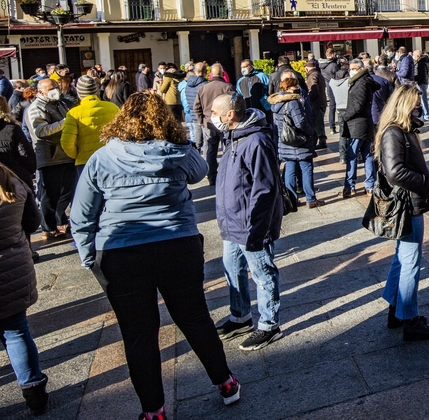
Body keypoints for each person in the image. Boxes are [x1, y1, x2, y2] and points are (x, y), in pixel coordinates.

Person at [70, 93, 240, 417]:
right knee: (194, 317)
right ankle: (225, 381)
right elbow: (200, 170)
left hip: (121, 251)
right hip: (177, 244)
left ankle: (154, 411)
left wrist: (88, 256)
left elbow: (82, 215)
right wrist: (178, 141)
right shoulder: (177, 151)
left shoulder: (102, 158)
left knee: (138, 334)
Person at [210, 92, 284, 351]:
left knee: (262, 273)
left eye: (215, 112)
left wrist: (258, 229)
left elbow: (265, 189)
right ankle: (240, 316)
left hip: (251, 224)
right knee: (233, 269)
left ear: (230, 115)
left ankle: (269, 325)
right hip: (232, 221)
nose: (212, 117)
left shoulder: (256, 141)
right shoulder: (231, 136)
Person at [375, 83, 429, 341]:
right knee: (410, 262)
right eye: (415, 102)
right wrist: (423, 182)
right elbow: (395, 172)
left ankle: (397, 310)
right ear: (403, 104)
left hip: (410, 203)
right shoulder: (394, 132)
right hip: (408, 205)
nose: (419, 106)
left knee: (401, 258)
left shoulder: (404, 130)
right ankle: (411, 320)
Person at [1, 161, 48, 416]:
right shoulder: (10, 181)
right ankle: (35, 395)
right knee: (16, 331)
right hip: (13, 266)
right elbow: (32, 221)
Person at [26, 79, 75, 240]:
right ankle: (48, 226)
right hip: (49, 156)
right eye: (51, 88)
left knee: (66, 191)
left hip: (66, 154)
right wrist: (65, 122)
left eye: (56, 87)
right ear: (40, 91)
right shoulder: (36, 108)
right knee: (50, 195)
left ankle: (61, 220)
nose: (55, 90)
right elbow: (40, 131)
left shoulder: (60, 103)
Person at [269, 76, 323, 208]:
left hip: (285, 141)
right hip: (299, 141)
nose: (298, 88)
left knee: (290, 170)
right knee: (306, 168)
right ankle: (310, 198)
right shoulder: (292, 102)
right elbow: (300, 123)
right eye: (295, 86)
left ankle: (292, 199)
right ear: (288, 89)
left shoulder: (276, 102)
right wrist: (311, 132)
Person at [60, 75, 119, 175]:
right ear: (95, 90)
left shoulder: (74, 113)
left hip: (85, 160)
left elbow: (66, 142)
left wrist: (77, 155)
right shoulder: (113, 108)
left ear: (79, 92)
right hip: (110, 158)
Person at [343, 59, 378, 198]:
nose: (350, 70)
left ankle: (350, 186)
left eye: (352, 68)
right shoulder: (362, 81)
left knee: (353, 155)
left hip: (358, 125)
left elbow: (358, 105)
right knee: (367, 154)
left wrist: (345, 116)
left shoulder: (361, 82)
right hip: (363, 124)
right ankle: (369, 185)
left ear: (359, 69)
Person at [194, 64, 234, 186]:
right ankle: (227, 173)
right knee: (228, 148)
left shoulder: (203, 88)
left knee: (211, 151)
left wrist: (202, 122)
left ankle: (212, 176)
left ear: (211, 74)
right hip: (225, 123)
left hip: (209, 123)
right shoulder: (228, 87)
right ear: (222, 73)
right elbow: (236, 104)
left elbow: (196, 107)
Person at [236, 59, 271, 125]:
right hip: (248, 112)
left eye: (245, 67)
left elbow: (269, 89)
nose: (243, 69)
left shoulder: (262, 76)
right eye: (241, 67)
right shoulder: (240, 81)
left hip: (263, 109)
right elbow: (240, 94)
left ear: (251, 66)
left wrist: (265, 101)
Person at [304, 59, 328, 146]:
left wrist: (308, 98)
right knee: (317, 123)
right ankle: (316, 141)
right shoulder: (318, 74)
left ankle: (322, 141)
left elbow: (314, 90)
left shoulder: (312, 76)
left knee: (317, 124)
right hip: (321, 102)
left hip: (316, 103)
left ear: (307, 69)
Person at [413, 50, 429, 121]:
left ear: (417, 56)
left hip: (422, 83)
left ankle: (426, 116)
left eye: (414, 55)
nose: (413, 57)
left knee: (423, 100)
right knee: (422, 100)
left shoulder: (422, 63)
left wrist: (418, 81)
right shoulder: (423, 62)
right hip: (423, 82)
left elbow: (421, 74)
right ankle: (424, 115)